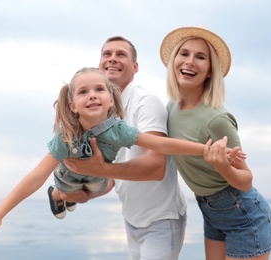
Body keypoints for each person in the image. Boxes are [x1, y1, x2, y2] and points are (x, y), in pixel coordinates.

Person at [0, 66, 214, 239]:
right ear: (72, 105)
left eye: (99, 90)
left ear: (110, 100)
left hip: (98, 179)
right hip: (69, 179)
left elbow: (163, 145)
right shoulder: (66, 135)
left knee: (104, 186)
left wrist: (205, 149)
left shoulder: (119, 130)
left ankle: (69, 197)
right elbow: (36, 175)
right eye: (83, 92)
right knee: (76, 194)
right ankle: (59, 195)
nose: (92, 95)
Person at [61, 36, 190, 260]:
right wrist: (88, 195)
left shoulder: (145, 102)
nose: (112, 59)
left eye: (121, 54)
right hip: (132, 220)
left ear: (135, 67)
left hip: (161, 219)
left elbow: (156, 167)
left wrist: (100, 170)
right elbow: (115, 175)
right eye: (107, 54)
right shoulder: (103, 112)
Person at [159, 26, 271, 259]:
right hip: (211, 211)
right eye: (184, 53)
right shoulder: (171, 107)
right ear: (174, 60)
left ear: (210, 71)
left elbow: (246, 180)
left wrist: (223, 165)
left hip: (244, 215)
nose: (190, 61)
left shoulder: (216, 119)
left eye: (200, 57)